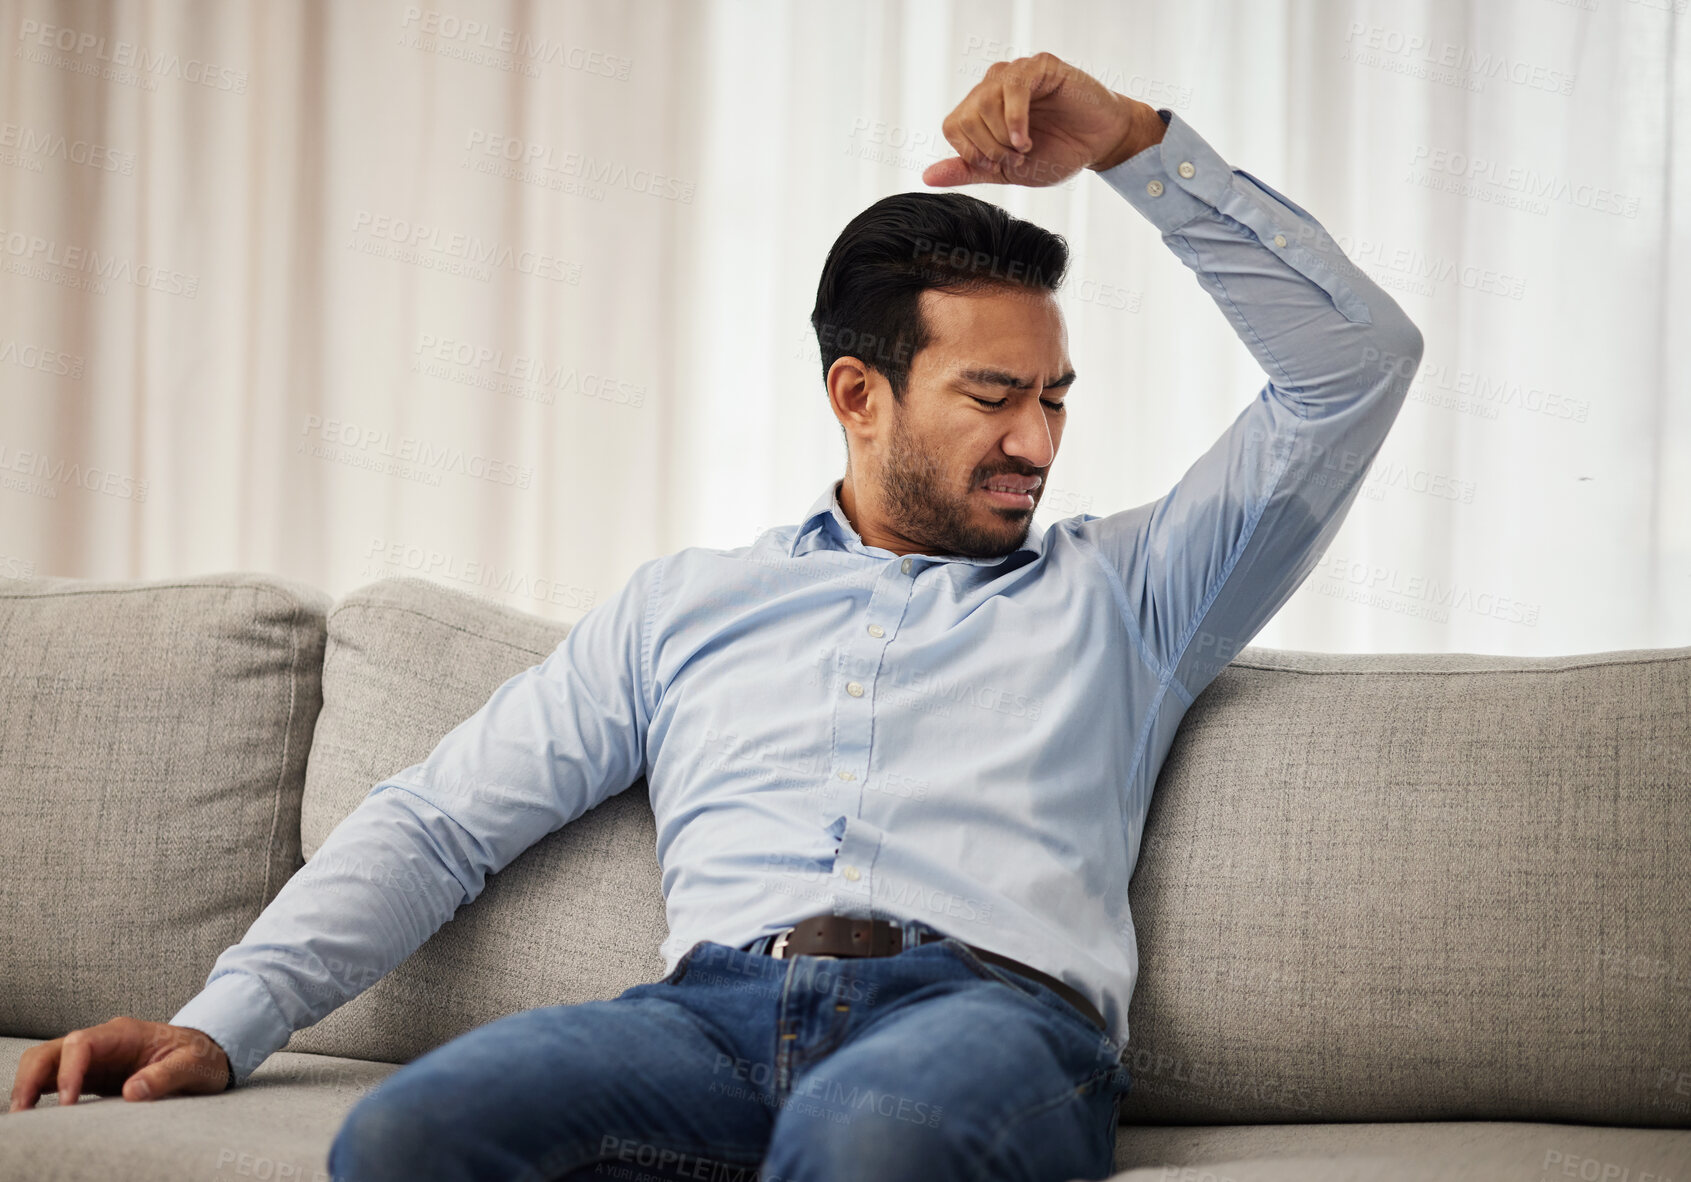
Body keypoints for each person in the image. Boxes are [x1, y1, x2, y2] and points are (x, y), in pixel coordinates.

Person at [7, 52, 1423, 1182]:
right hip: (706, 1021)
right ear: (859, 396)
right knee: (406, 1136)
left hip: (992, 1025)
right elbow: (443, 819)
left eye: (1054, 398)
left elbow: (1354, 365)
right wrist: (222, 1019)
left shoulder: (1134, 593)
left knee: (868, 1144)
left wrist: (1128, 142)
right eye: (993, 397)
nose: (1039, 441)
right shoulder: (689, 607)